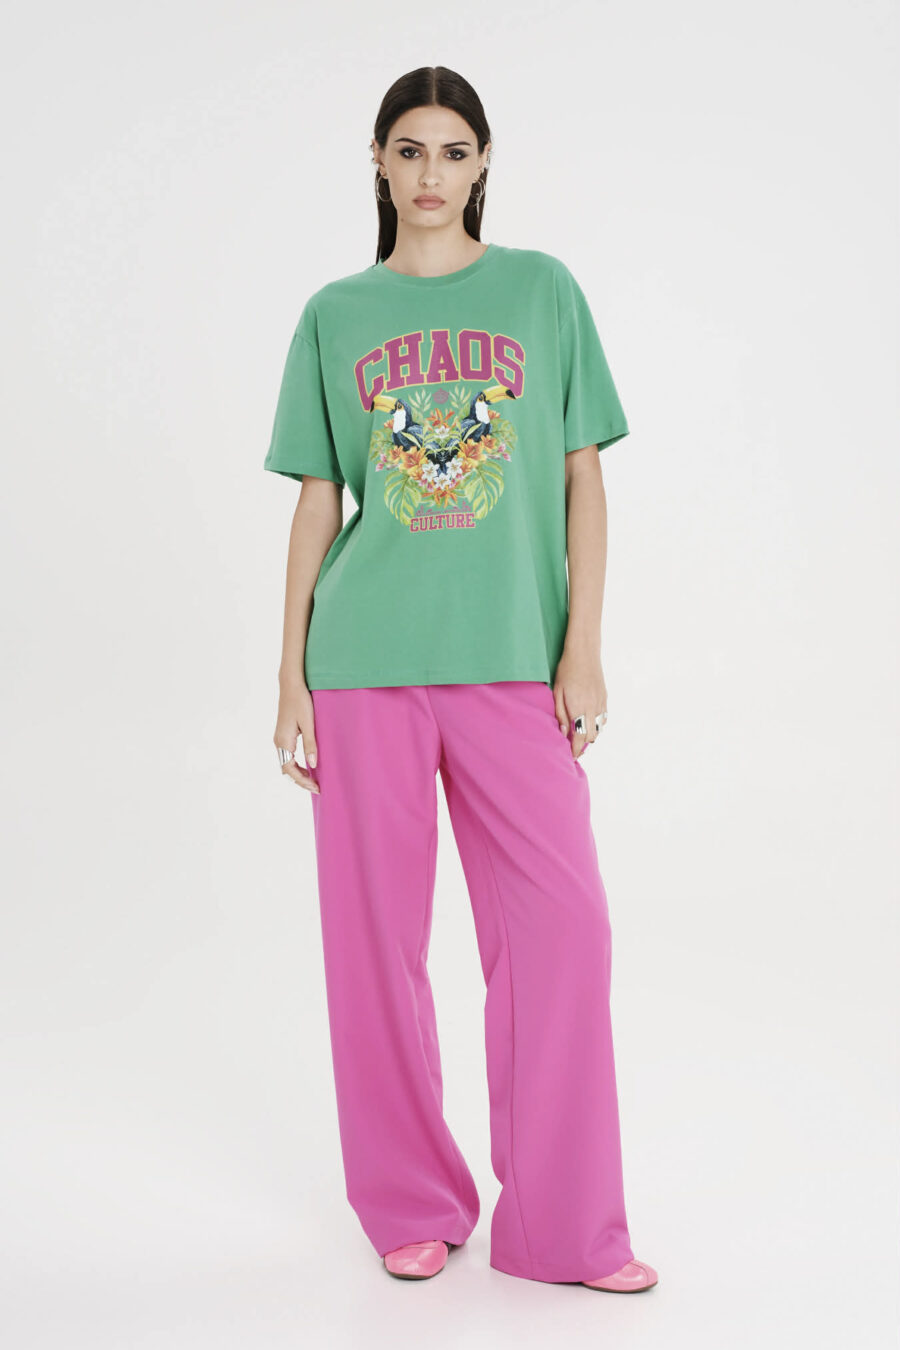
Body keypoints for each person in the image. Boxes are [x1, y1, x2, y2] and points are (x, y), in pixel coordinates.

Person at [264, 65, 658, 1294]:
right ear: (379, 166)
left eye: (451, 150)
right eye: (408, 150)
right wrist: (290, 674)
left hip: (509, 666)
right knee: (373, 949)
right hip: (363, 665)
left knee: (564, 933)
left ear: (483, 163)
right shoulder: (334, 315)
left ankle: (565, 1227)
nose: (429, 173)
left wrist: (582, 646)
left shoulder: (543, 293)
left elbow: (583, 477)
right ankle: (410, 1202)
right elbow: (320, 501)